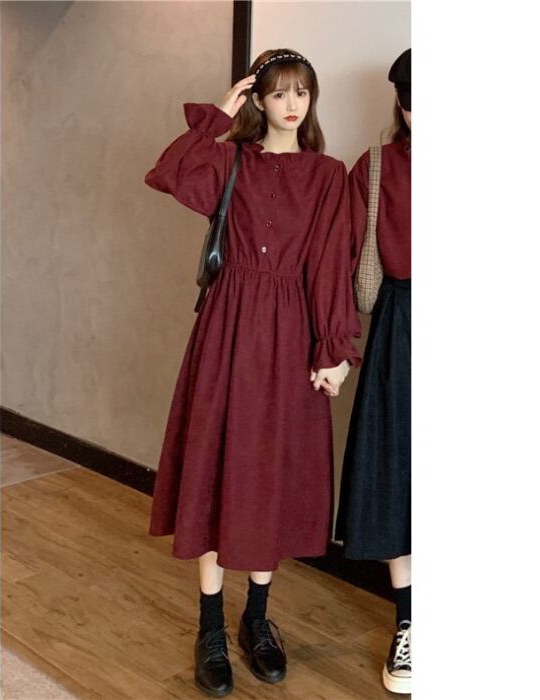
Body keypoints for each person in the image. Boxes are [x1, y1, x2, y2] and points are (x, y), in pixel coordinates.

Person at [144, 49, 361, 697]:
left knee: (269, 474)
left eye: (302, 92)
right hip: (228, 328)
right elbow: (169, 172)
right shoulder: (229, 161)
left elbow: (331, 264)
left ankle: (256, 620)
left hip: (291, 335)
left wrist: (333, 349)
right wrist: (220, 113)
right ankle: (210, 626)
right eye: (278, 93)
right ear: (259, 100)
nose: (292, 104)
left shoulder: (328, 175)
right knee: (217, 466)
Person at [335, 48, 412, 695]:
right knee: (396, 470)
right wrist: (335, 347)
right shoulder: (377, 166)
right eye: (413, 100)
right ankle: (409, 622)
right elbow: (339, 262)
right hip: (402, 323)